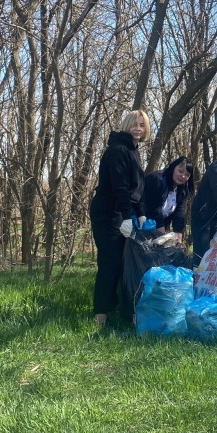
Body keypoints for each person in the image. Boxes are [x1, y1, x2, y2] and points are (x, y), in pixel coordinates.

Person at [88, 109, 150, 325]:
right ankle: (100, 316)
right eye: (134, 124)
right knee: (110, 262)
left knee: (123, 263)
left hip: (122, 212)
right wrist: (125, 216)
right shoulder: (117, 149)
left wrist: (140, 213)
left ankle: (117, 310)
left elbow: (137, 187)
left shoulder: (134, 150)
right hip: (107, 212)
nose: (138, 128)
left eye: (142, 125)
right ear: (126, 125)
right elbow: (120, 187)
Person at [141, 156, 195, 245]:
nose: (183, 176)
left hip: (159, 225)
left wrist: (179, 240)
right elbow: (154, 210)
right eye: (180, 171)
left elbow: (179, 214)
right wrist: (163, 237)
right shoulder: (157, 179)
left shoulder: (184, 189)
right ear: (173, 168)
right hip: (141, 222)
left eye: (187, 175)